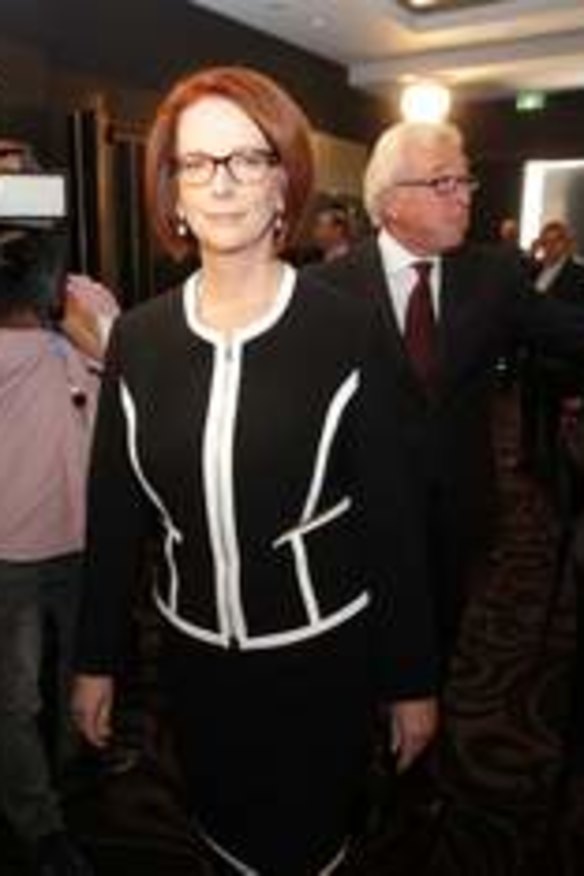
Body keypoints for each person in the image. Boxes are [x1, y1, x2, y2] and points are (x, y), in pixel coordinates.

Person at [71, 66, 438, 875]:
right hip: (194, 661)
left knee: (308, 847)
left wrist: (411, 679)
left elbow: (393, 523)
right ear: (172, 190)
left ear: (284, 182)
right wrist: (96, 660)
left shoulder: (349, 331)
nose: (222, 182)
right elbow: (116, 516)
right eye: (197, 162)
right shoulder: (139, 340)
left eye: (247, 158)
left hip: (321, 660)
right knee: (221, 835)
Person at [307, 121, 584, 674]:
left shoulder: (493, 275)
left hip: (456, 513)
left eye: (466, 182)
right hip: (356, 518)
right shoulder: (325, 290)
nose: (464, 198)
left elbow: (572, 331)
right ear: (390, 201)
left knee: (436, 648)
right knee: (355, 659)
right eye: (443, 183)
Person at [0, 212, 118, 874]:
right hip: (8, 545)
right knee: (16, 697)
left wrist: (61, 313)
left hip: (89, 533)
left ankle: (78, 777)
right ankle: (38, 822)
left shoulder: (89, 296)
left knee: (88, 670)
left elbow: (132, 370)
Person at [518, 220, 584, 481]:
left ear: (567, 244)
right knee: (528, 411)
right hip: (531, 356)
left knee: (552, 420)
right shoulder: (536, 270)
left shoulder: (578, 275)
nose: (549, 247)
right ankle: (527, 458)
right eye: (545, 242)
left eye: (555, 241)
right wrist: (531, 254)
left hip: (559, 362)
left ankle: (552, 468)